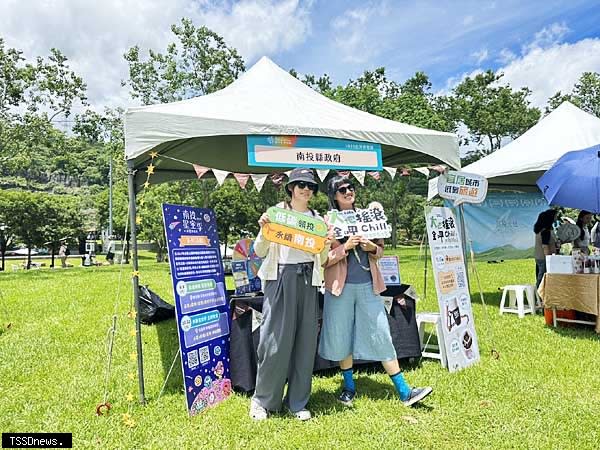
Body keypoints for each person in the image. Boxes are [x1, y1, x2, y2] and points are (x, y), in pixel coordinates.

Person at [318, 175, 433, 408]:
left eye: (350, 187)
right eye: (342, 189)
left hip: (369, 286)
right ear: (334, 196)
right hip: (339, 289)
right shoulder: (327, 222)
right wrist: (345, 248)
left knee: (381, 332)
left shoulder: (369, 218)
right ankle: (349, 387)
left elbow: (379, 251)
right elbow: (322, 260)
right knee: (341, 336)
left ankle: (404, 390)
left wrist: (371, 247)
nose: (348, 192)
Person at [249, 168, 333, 421]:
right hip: (281, 277)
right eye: (300, 185)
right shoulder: (277, 214)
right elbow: (259, 250)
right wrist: (264, 230)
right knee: (274, 341)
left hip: (309, 279)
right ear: (291, 188)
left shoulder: (318, 220)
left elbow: (323, 258)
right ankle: (263, 401)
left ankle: (298, 402)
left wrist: (326, 242)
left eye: (309, 186)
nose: (305, 190)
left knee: (305, 342)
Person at [534, 209, 558, 288]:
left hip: (539, 257)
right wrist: (549, 259)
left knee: (540, 275)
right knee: (542, 277)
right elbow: (545, 246)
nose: (556, 218)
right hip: (544, 258)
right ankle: (538, 294)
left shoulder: (539, 230)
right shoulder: (545, 232)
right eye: (555, 216)